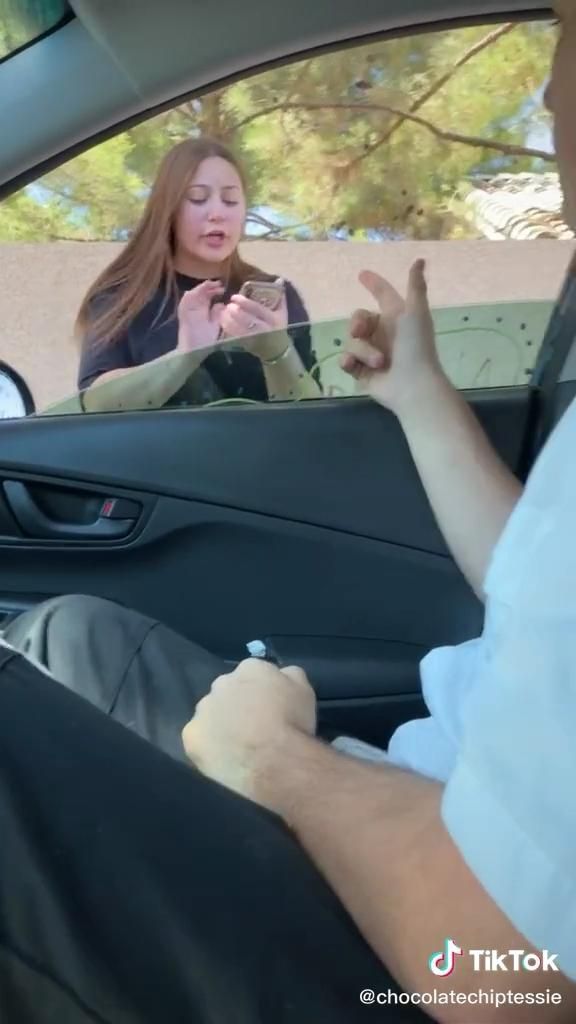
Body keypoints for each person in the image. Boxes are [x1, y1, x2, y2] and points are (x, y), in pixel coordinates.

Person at [1, 2, 575, 1019]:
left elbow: (514, 980)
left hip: (407, 951)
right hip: (411, 829)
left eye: (568, 34)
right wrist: (420, 396)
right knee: (70, 633)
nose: (545, 88)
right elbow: (527, 577)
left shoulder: (268, 289)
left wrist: (281, 764)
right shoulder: (119, 302)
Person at [76, 137, 321, 412]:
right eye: (197, 198)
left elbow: (313, 414)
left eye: (230, 200)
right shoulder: (122, 295)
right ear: (168, 208)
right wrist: (185, 355)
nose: (217, 213)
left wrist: (277, 352)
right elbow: (95, 401)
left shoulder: (275, 295)